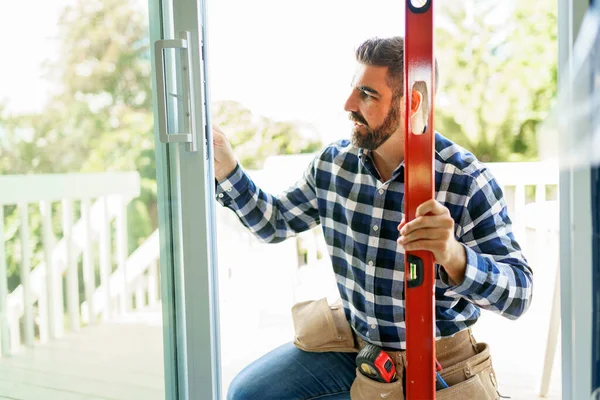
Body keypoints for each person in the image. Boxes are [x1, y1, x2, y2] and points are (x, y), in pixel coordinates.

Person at [213, 36, 533, 400]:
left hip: (437, 364)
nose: (348, 104)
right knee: (248, 393)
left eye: (367, 94)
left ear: (410, 103)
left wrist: (454, 256)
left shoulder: (465, 180)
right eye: (353, 89)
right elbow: (274, 223)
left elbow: (518, 295)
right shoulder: (334, 165)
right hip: (358, 350)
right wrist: (228, 170)